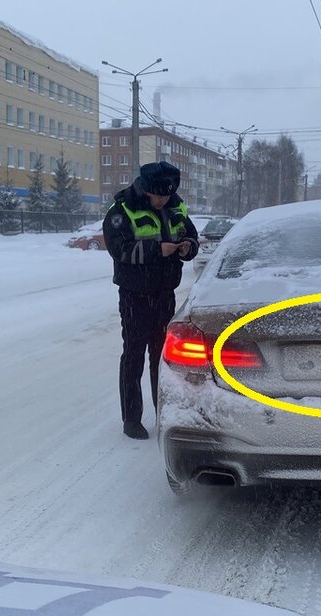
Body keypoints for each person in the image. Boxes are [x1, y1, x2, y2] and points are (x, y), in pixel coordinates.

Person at [102, 161, 199, 440]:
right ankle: (131, 419)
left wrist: (188, 247)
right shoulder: (122, 210)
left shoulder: (175, 206)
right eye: (158, 196)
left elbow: (190, 235)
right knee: (133, 356)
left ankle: (163, 413)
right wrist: (157, 250)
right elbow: (119, 249)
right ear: (146, 190)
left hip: (164, 293)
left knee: (162, 357)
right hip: (135, 295)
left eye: (166, 196)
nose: (162, 201)